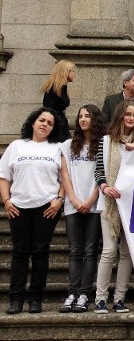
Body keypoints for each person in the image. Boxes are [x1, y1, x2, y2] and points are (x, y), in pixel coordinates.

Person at [1, 108, 67, 314]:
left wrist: (59, 199)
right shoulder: (16, 146)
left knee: (40, 253)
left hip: (47, 207)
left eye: (50, 123)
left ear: (53, 129)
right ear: (33, 122)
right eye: (42, 120)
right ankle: (15, 300)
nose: (45, 124)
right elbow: (3, 177)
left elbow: (65, 177)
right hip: (18, 206)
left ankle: (35, 299)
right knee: (19, 253)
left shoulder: (57, 148)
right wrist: (7, 201)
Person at [94, 101, 134, 314]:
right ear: (120, 116)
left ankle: (120, 298)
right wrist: (104, 187)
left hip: (132, 205)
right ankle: (100, 299)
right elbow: (99, 169)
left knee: (127, 254)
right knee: (109, 251)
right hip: (109, 204)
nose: (131, 118)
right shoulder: (106, 141)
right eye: (127, 114)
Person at [58, 105, 105, 313]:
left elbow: (103, 174)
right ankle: (72, 292)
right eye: (80, 116)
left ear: (95, 119)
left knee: (90, 250)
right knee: (75, 250)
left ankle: (85, 293)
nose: (83, 119)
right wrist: (75, 200)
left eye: (87, 116)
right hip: (72, 203)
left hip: (94, 204)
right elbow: (64, 175)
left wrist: (90, 199)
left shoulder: (103, 145)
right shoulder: (68, 145)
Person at [41, 59, 76, 140]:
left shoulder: (61, 88)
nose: (74, 74)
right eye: (72, 71)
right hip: (56, 128)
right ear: (66, 72)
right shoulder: (54, 88)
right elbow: (48, 109)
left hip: (60, 124)